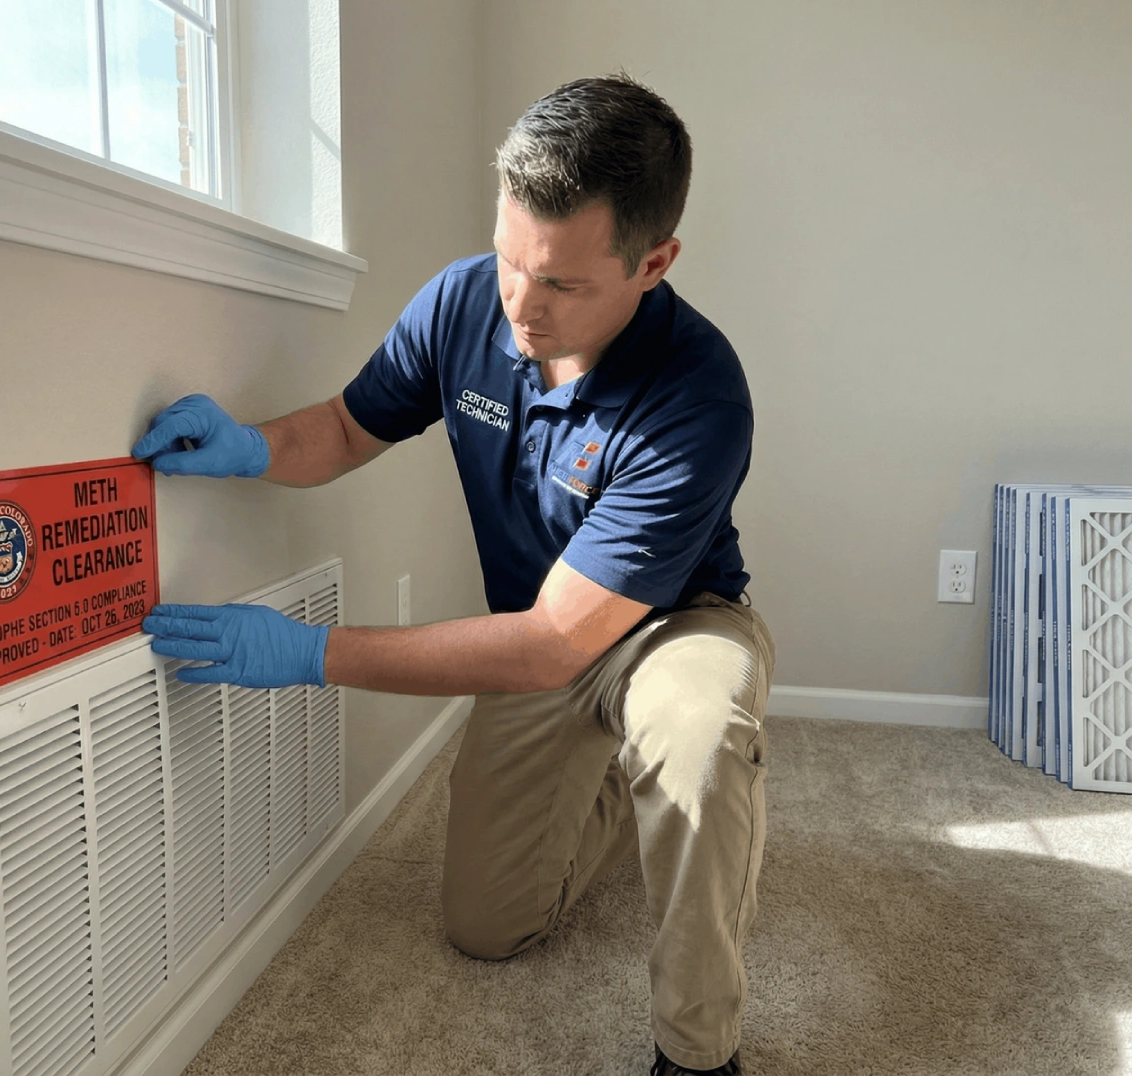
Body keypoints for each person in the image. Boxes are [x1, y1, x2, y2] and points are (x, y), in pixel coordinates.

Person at [133, 74, 775, 1076]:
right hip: (538, 631)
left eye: (562, 282)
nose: (521, 302)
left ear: (654, 261)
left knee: (695, 736)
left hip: (670, 625)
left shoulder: (698, 391)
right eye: (513, 259)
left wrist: (312, 653)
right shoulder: (465, 301)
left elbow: (557, 643)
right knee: (488, 925)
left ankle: (699, 1052)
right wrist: (248, 447)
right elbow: (349, 426)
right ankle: (616, 780)